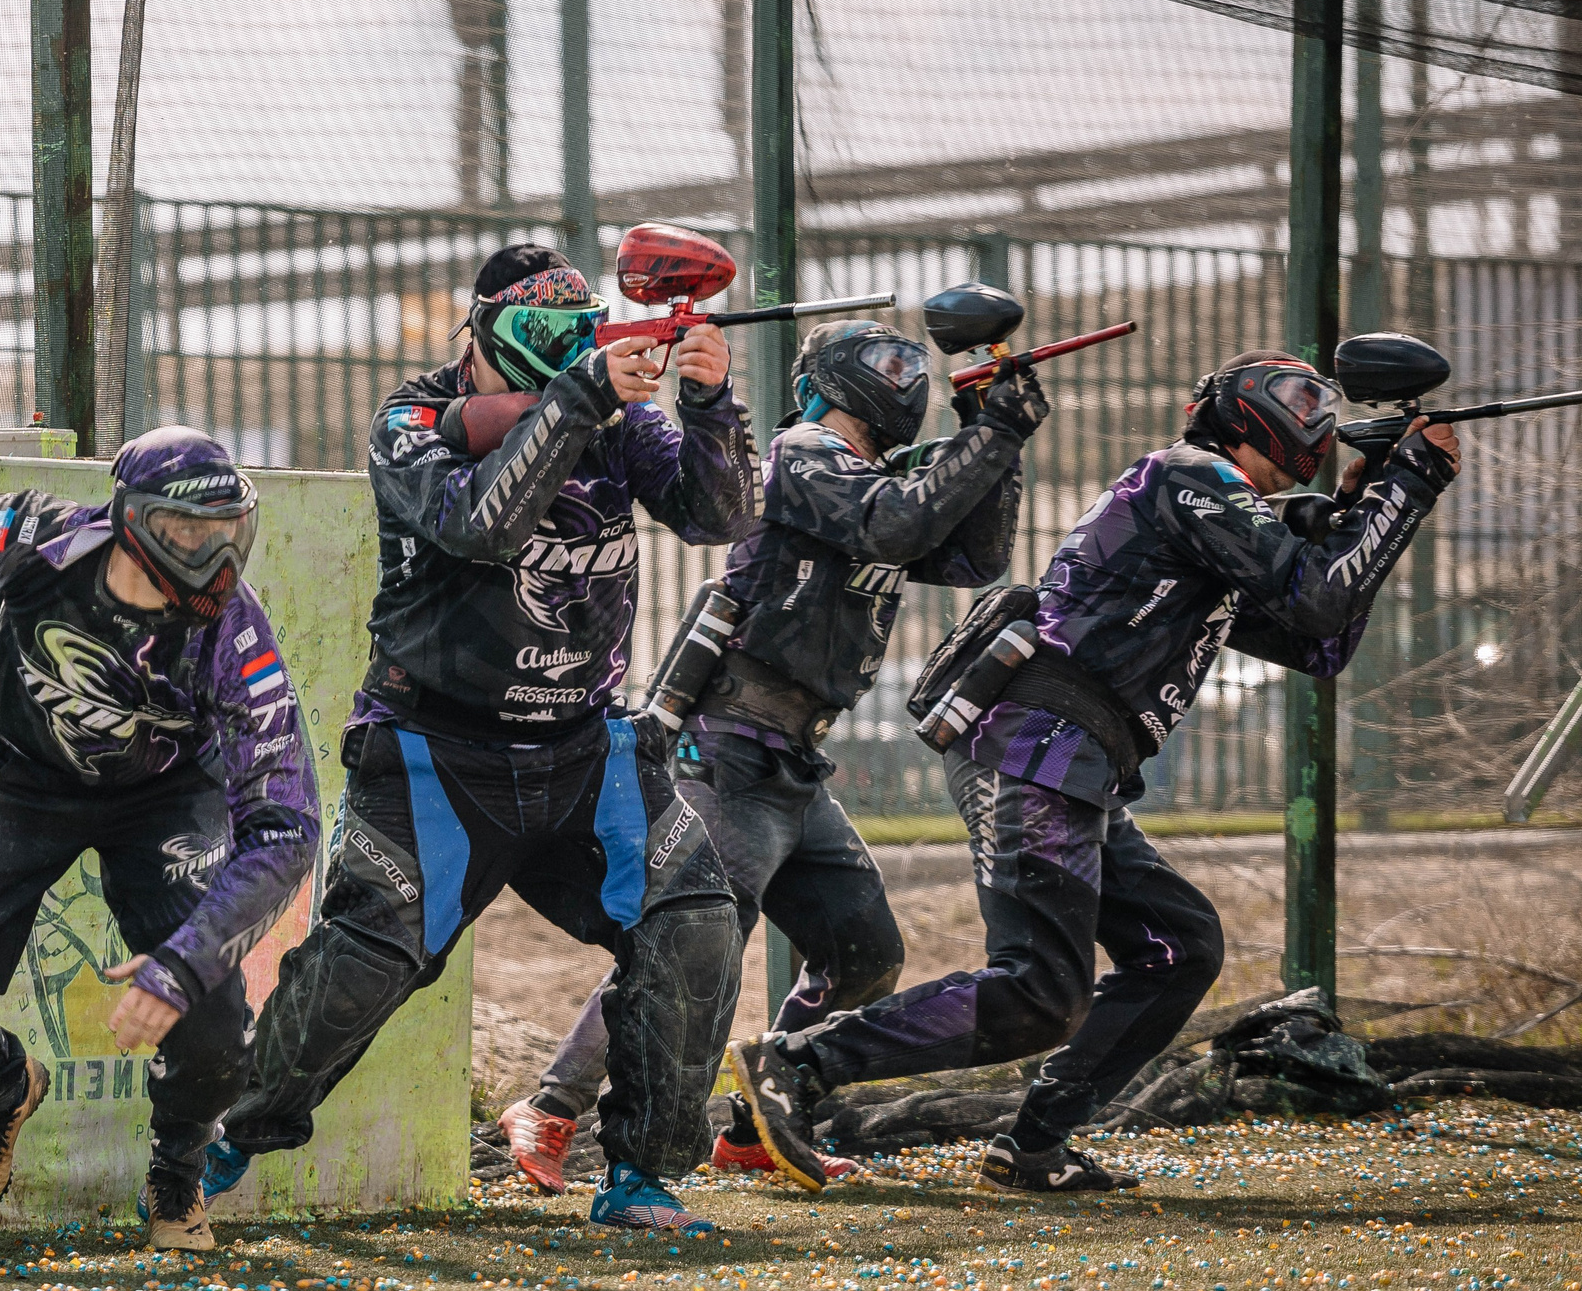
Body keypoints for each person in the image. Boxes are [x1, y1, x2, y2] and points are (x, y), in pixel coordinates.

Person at [726, 350, 1459, 1193]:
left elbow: (1320, 634)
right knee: (1040, 990)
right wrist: (1408, 484)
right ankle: (797, 1061)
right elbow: (1319, 596)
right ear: (1246, 411)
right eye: (1300, 397)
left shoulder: (1223, 517)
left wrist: (1369, 504)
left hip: (1075, 763)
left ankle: (1033, 1142)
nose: (1317, 415)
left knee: (1179, 946)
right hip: (1037, 746)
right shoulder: (1189, 475)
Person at [208, 243, 757, 1233]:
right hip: (433, 752)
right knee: (361, 964)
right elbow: (481, 528)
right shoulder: (409, 421)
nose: (566, 356)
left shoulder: (613, 421)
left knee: (694, 925)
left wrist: (711, 403)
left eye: (579, 337)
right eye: (544, 339)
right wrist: (583, 397)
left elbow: (720, 515)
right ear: (485, 334)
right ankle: (223, 1134)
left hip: (585, 752)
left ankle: (639, 1176)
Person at [504, 319, 1050, 1195]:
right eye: (887, 364)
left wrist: (995, 426)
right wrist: (992, 433)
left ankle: (760, 1114)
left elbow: (974, 553)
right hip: (728, 748)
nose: (905, 378)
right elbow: (896, 522)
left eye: (913, 365)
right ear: (832, 379)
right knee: (684, 947)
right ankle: (552, 1106)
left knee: (866, 954)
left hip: (796, 766)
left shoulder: (874, 476)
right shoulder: (803, 454)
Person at [0, 426, 320, 1252]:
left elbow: (288, 826)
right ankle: (5, 1088)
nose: (214, 559)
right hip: (9, 772)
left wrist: (185, 963)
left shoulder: (236, 637)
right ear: (132, 523)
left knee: (217, 1024)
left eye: (228, 535)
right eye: (188, 535)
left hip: (165, 793)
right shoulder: (32, 540)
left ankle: (176, 1172)